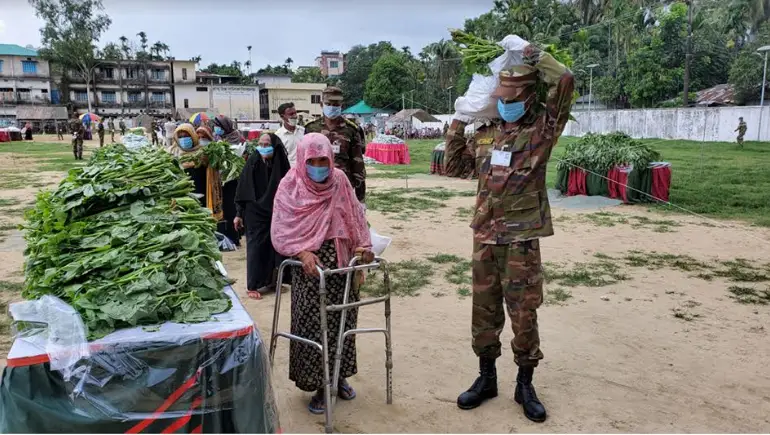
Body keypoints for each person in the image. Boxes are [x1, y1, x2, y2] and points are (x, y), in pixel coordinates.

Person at [456, 36, 574, 424]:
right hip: (484, 237)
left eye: (512, 97)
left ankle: (525, 383)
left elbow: (565, 81)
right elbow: (456, 166)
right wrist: (459, 119)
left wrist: (534, 54)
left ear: (527, 98)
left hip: (521, 238)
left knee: (524, 313)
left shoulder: (542, 131)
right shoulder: (486, 133)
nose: (505, 103)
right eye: (500, 96)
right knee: (483, 310)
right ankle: (486, 377)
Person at [271, 133, 373, 414]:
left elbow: (355, 215)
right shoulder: (290, 185)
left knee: (343, 321)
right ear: (303, 160)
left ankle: (339, 376)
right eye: (312, 161)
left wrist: (364, 246)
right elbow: (281, 230)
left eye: (323, 160)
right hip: (310, 269)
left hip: (342, 263)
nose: (319, 166)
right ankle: (318, 385)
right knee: (313, 326)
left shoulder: (339, 179)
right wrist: (302, 252)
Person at [234, 133, 291, 300]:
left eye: (267, 144)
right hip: (255, 213)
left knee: (276, 247)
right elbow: (242, 190)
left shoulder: (282, 166)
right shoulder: (253, 162)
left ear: (276, 146)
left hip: (277, 212)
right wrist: (239, 214)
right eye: (260, 144)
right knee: (256, 248)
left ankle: (273, 281)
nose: (263, 148)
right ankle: (253, 285)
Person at [304, 87, 366, 202]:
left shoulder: (351, 130)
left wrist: (360, 198)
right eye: (329, 103)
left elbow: (358, 164)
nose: (332, 107)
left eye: (336, 104)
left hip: (343, 188)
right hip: (317, 188)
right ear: (322, 104)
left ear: (341, 105)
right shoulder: (311, 128)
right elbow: (304, 161)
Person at [166, 124, 223, 223]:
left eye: (186, 136)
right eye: (180, 137)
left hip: (202, 192)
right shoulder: (172, 153)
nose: (184, 139)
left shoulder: (203, 152)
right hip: (182, 195)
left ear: (193, 136)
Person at [213, 115, 245, 247]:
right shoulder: (218, 140)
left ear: (225, 126)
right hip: (222, 180)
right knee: (224, 208)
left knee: (232, 208)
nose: (216, 129)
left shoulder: (238, 138)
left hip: (234, 179)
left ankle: (235, 237)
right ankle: (226, 237)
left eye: (218, 126)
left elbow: (243, 158)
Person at [275, 102, 305, 167]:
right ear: (282, 116)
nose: (295, 116)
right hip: (288, 173)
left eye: (295, 113)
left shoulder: (303, 131)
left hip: (305, 171)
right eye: (291, 114)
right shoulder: (278, 136)